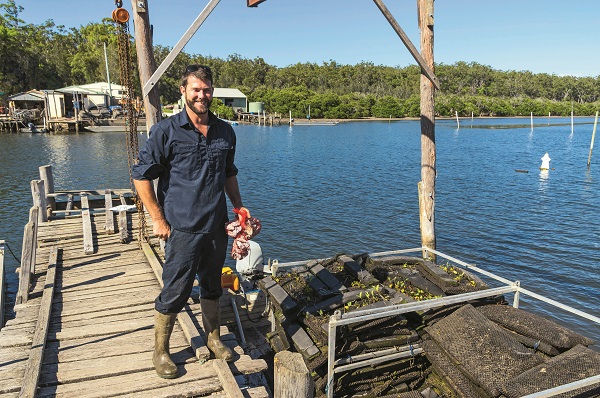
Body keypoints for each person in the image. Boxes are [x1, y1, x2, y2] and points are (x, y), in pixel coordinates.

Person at [132, 65, 244, 379]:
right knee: (175, 290)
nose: (202, 95)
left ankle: (213, 338)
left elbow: (229, 173)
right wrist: (157, 218)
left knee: (212, 286)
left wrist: (239, 209)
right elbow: (141, 176)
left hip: (216, 226)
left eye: (207, 90)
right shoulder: (166, 131)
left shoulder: (225, 131)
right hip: (181, 228)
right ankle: (161, 351)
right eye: (196, 89)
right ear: (183, 91)